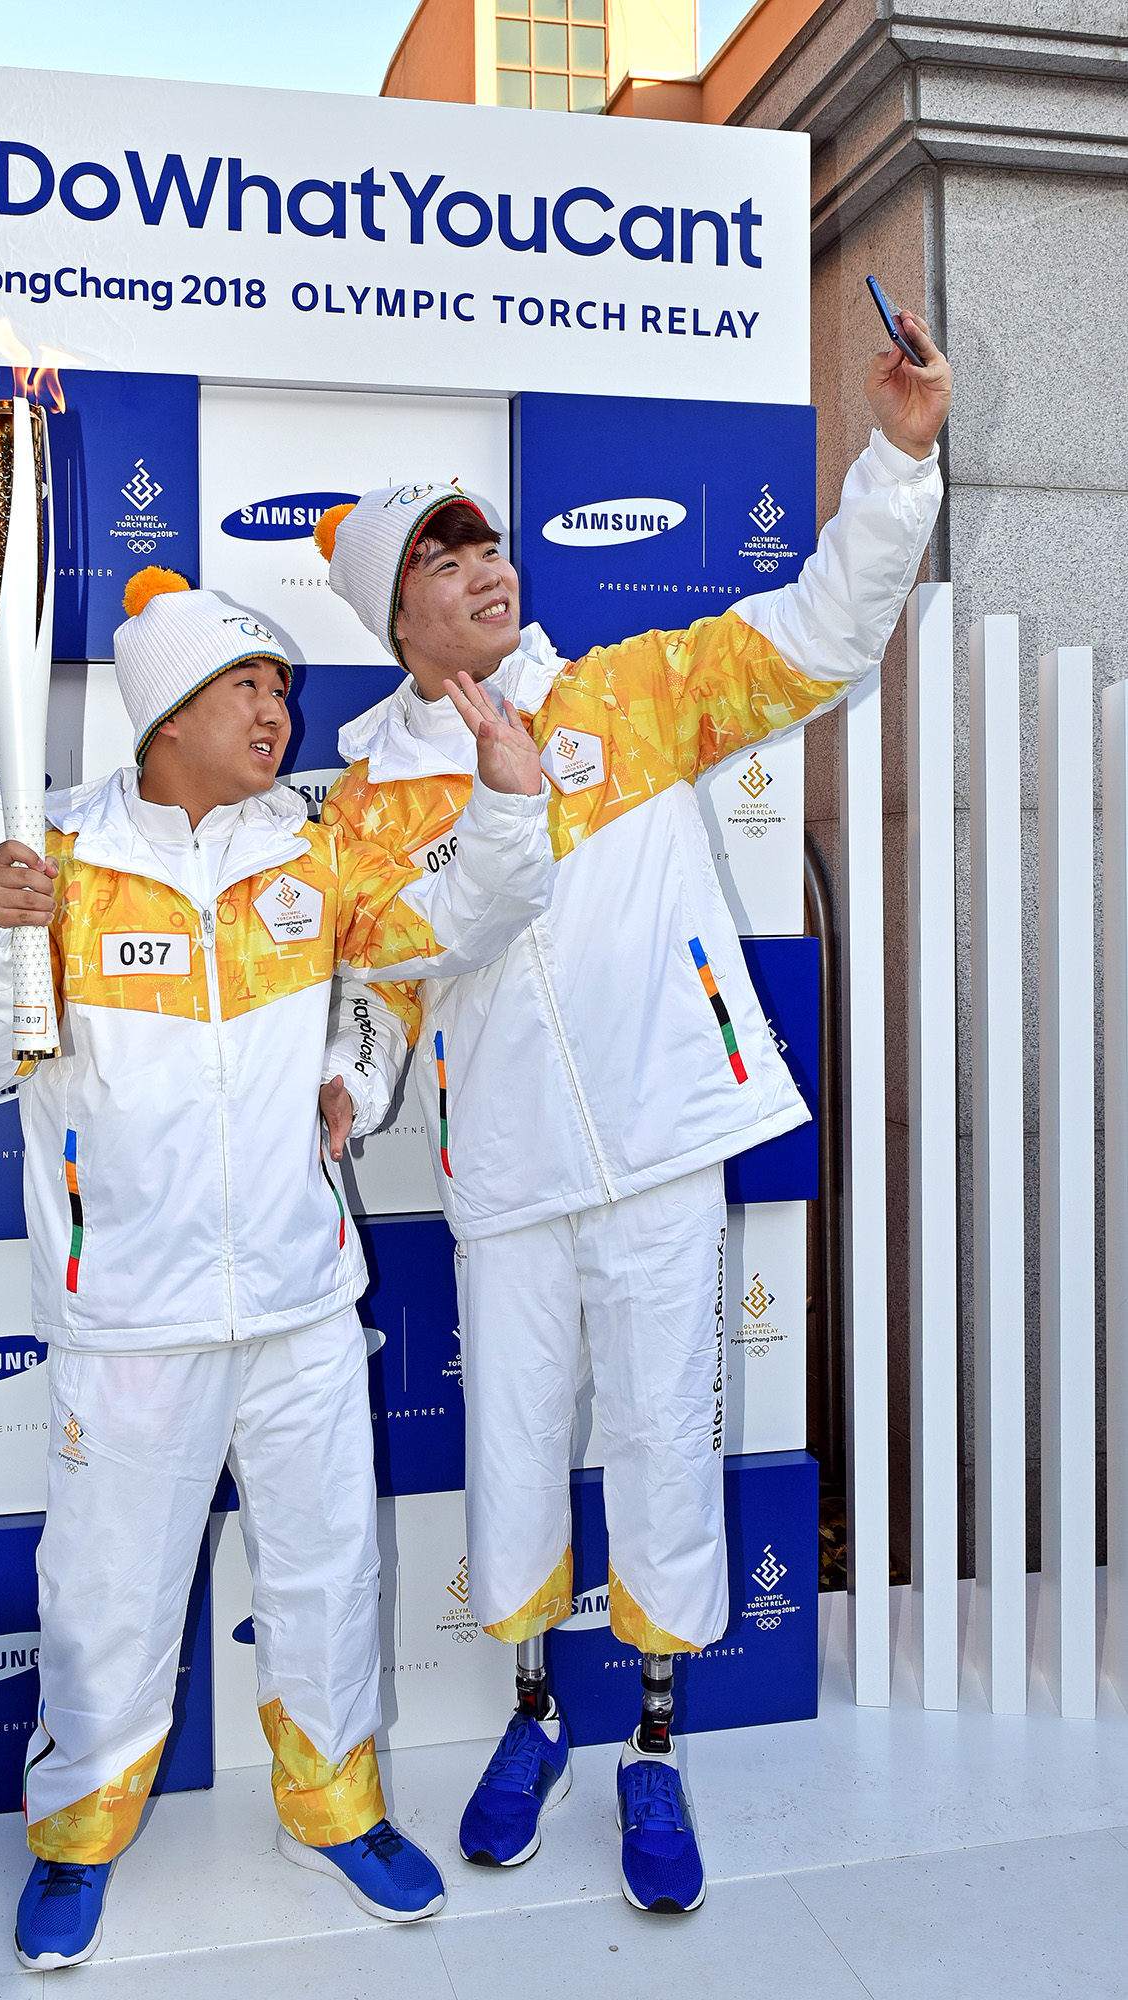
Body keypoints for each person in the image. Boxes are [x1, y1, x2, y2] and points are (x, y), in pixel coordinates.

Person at [314, 310, 953, 1915]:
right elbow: (388, 980)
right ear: (396, 614)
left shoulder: (633, 692)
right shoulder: (367, 800)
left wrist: (896, 460)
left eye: (486, 543)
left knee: (667, 1439)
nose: (484, 567)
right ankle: (534, 1716)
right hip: (509, 1171)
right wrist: (347, 1085)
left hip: (662, 1137)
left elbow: (823, 633)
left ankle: (654, 1745)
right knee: (516, 1450)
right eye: (443, 558)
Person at [0, 570, 554, 1970]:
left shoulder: (313, 855)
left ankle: (336, 1813)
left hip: (296, 1301)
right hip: (126, 1317)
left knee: (327, 1573)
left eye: (281, 689)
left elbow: (444, 933)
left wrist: (508, 816)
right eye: (245, 689)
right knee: (107, 1595)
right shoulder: (59, 862)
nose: (276, 711)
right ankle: (75, 1837)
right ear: (166, 715)